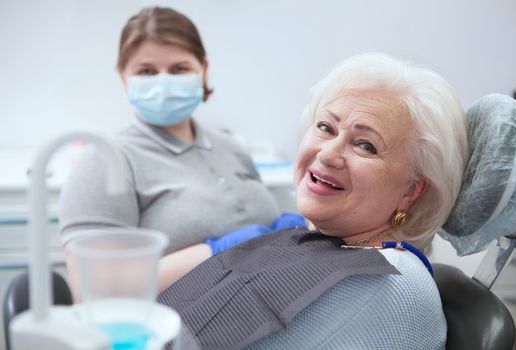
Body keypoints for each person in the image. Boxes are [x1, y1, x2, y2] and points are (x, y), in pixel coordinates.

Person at [156, 53, 468, 350]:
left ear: (411, 191)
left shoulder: (389, 279)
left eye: (366, 146)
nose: (327, 154)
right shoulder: (319, 242)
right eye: (325, 127)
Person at [58, 6, 288, 300]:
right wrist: (215, 252)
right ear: (123, 77)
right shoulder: (106, 161)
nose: (164, 82)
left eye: (179, 69)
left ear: (203, 71)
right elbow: (97, 290)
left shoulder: (229, 146)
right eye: (147, 71)